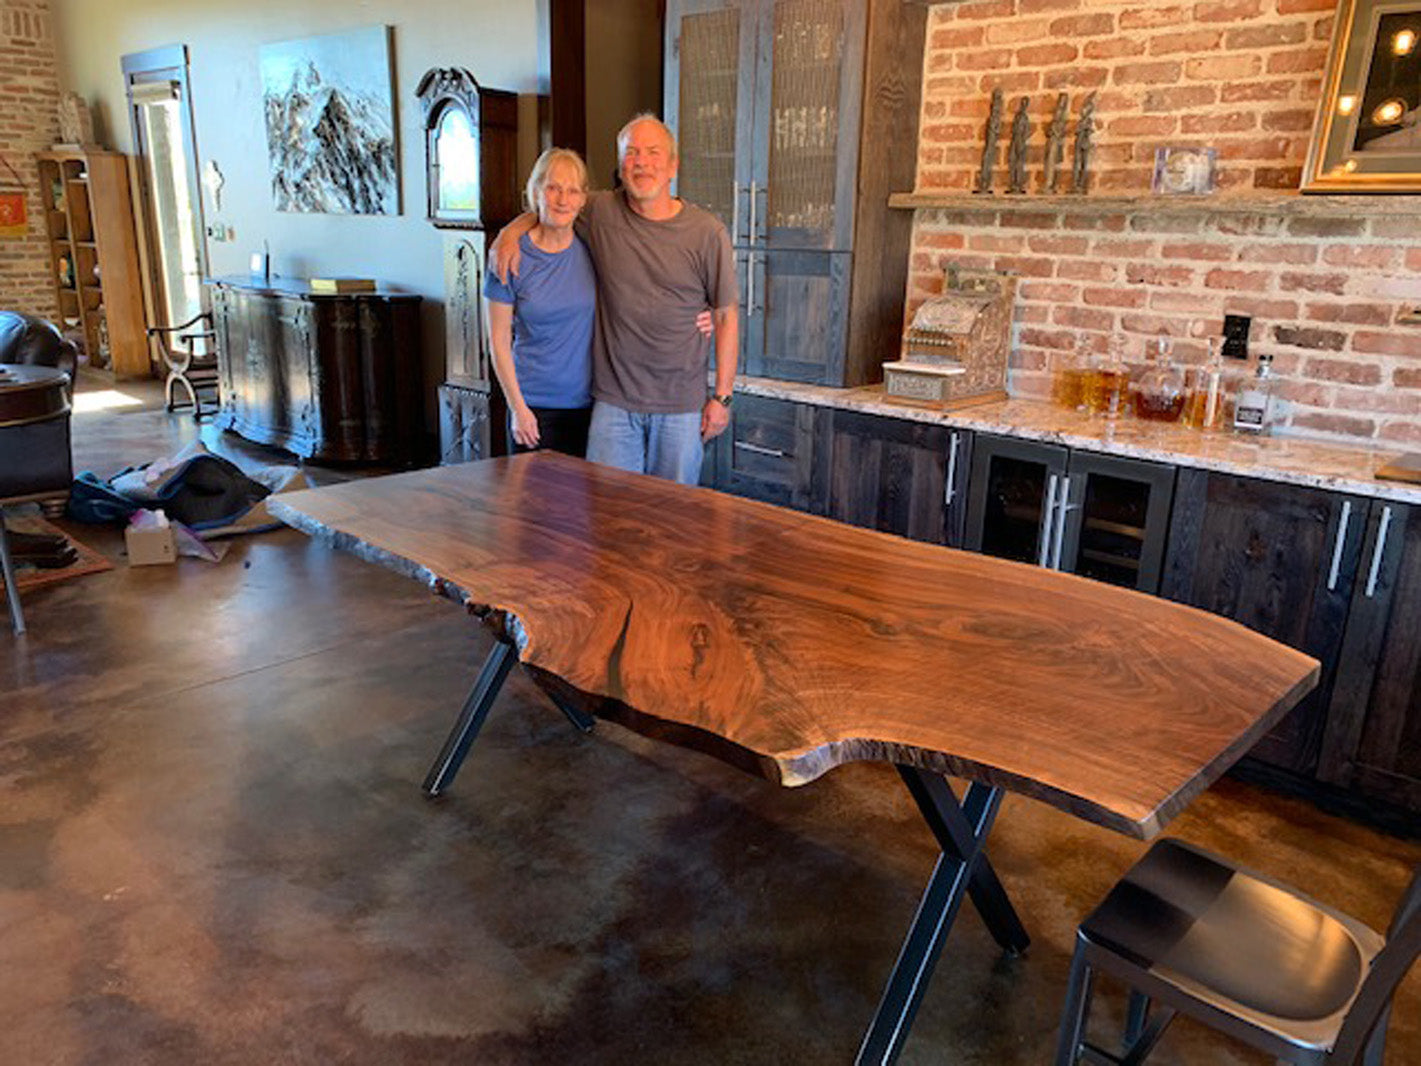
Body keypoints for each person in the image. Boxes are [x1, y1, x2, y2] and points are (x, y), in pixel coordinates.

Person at [494, 114, 739, 485]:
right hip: (613, 404)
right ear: (621, 167)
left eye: (653, 152)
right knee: (608, 512)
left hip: (680, 406)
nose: (642, 162)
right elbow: (553, 205)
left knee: (673, 512)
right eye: (632, 153)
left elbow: (725, 316)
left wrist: (722, 398)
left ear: (673, 166)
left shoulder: (707, 232)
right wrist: (508, 235)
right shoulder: (601, 211)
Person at [483, 148, 595, 456]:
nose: (563, 199)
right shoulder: (509, 255)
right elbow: (498, 341)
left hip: (590, 408)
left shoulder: (592, 246)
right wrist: (517, 408)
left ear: (583, 199)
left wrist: (698, 310)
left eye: (572, 191)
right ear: (535, 192)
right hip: (532, 409)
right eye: (553, 188)